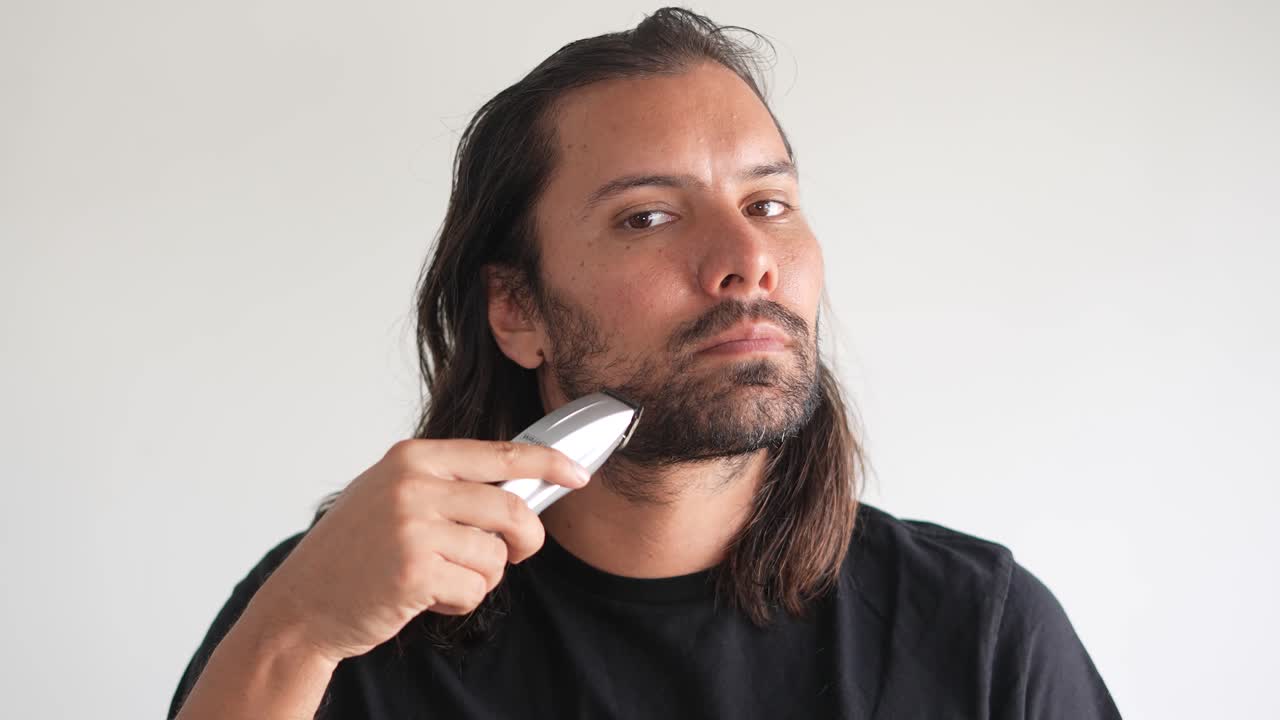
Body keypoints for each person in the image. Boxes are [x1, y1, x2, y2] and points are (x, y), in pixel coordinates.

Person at [168, 8, 1122, 719]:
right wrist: (292, 634)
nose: (746, 257)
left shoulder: (984, 634)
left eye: (770, 203)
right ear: (517, 308)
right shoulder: (343, 613)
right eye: (648, 216)